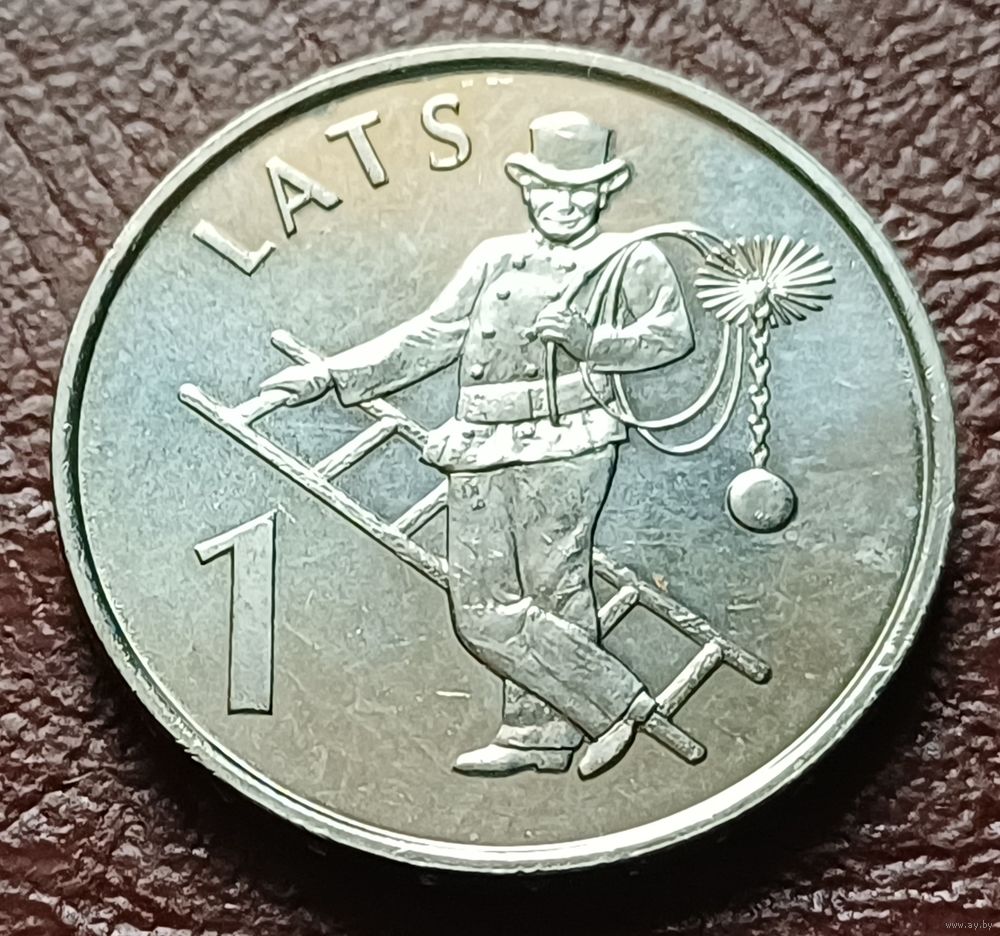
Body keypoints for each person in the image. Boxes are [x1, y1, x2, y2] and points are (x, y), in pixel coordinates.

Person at [263, 112, 695, 778]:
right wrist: (330, 375)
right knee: (480, 609)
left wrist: (593, 343)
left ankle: (539, 735)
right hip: (478, 440)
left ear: (604, 192)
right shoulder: (494, 256)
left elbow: (671, 335)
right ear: (527, 187)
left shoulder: (631, 257)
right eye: (550, 188)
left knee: (556, 590)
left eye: (580, 191)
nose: (564, 203)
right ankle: (617, 704)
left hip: (568, 440)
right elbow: (432, 334)